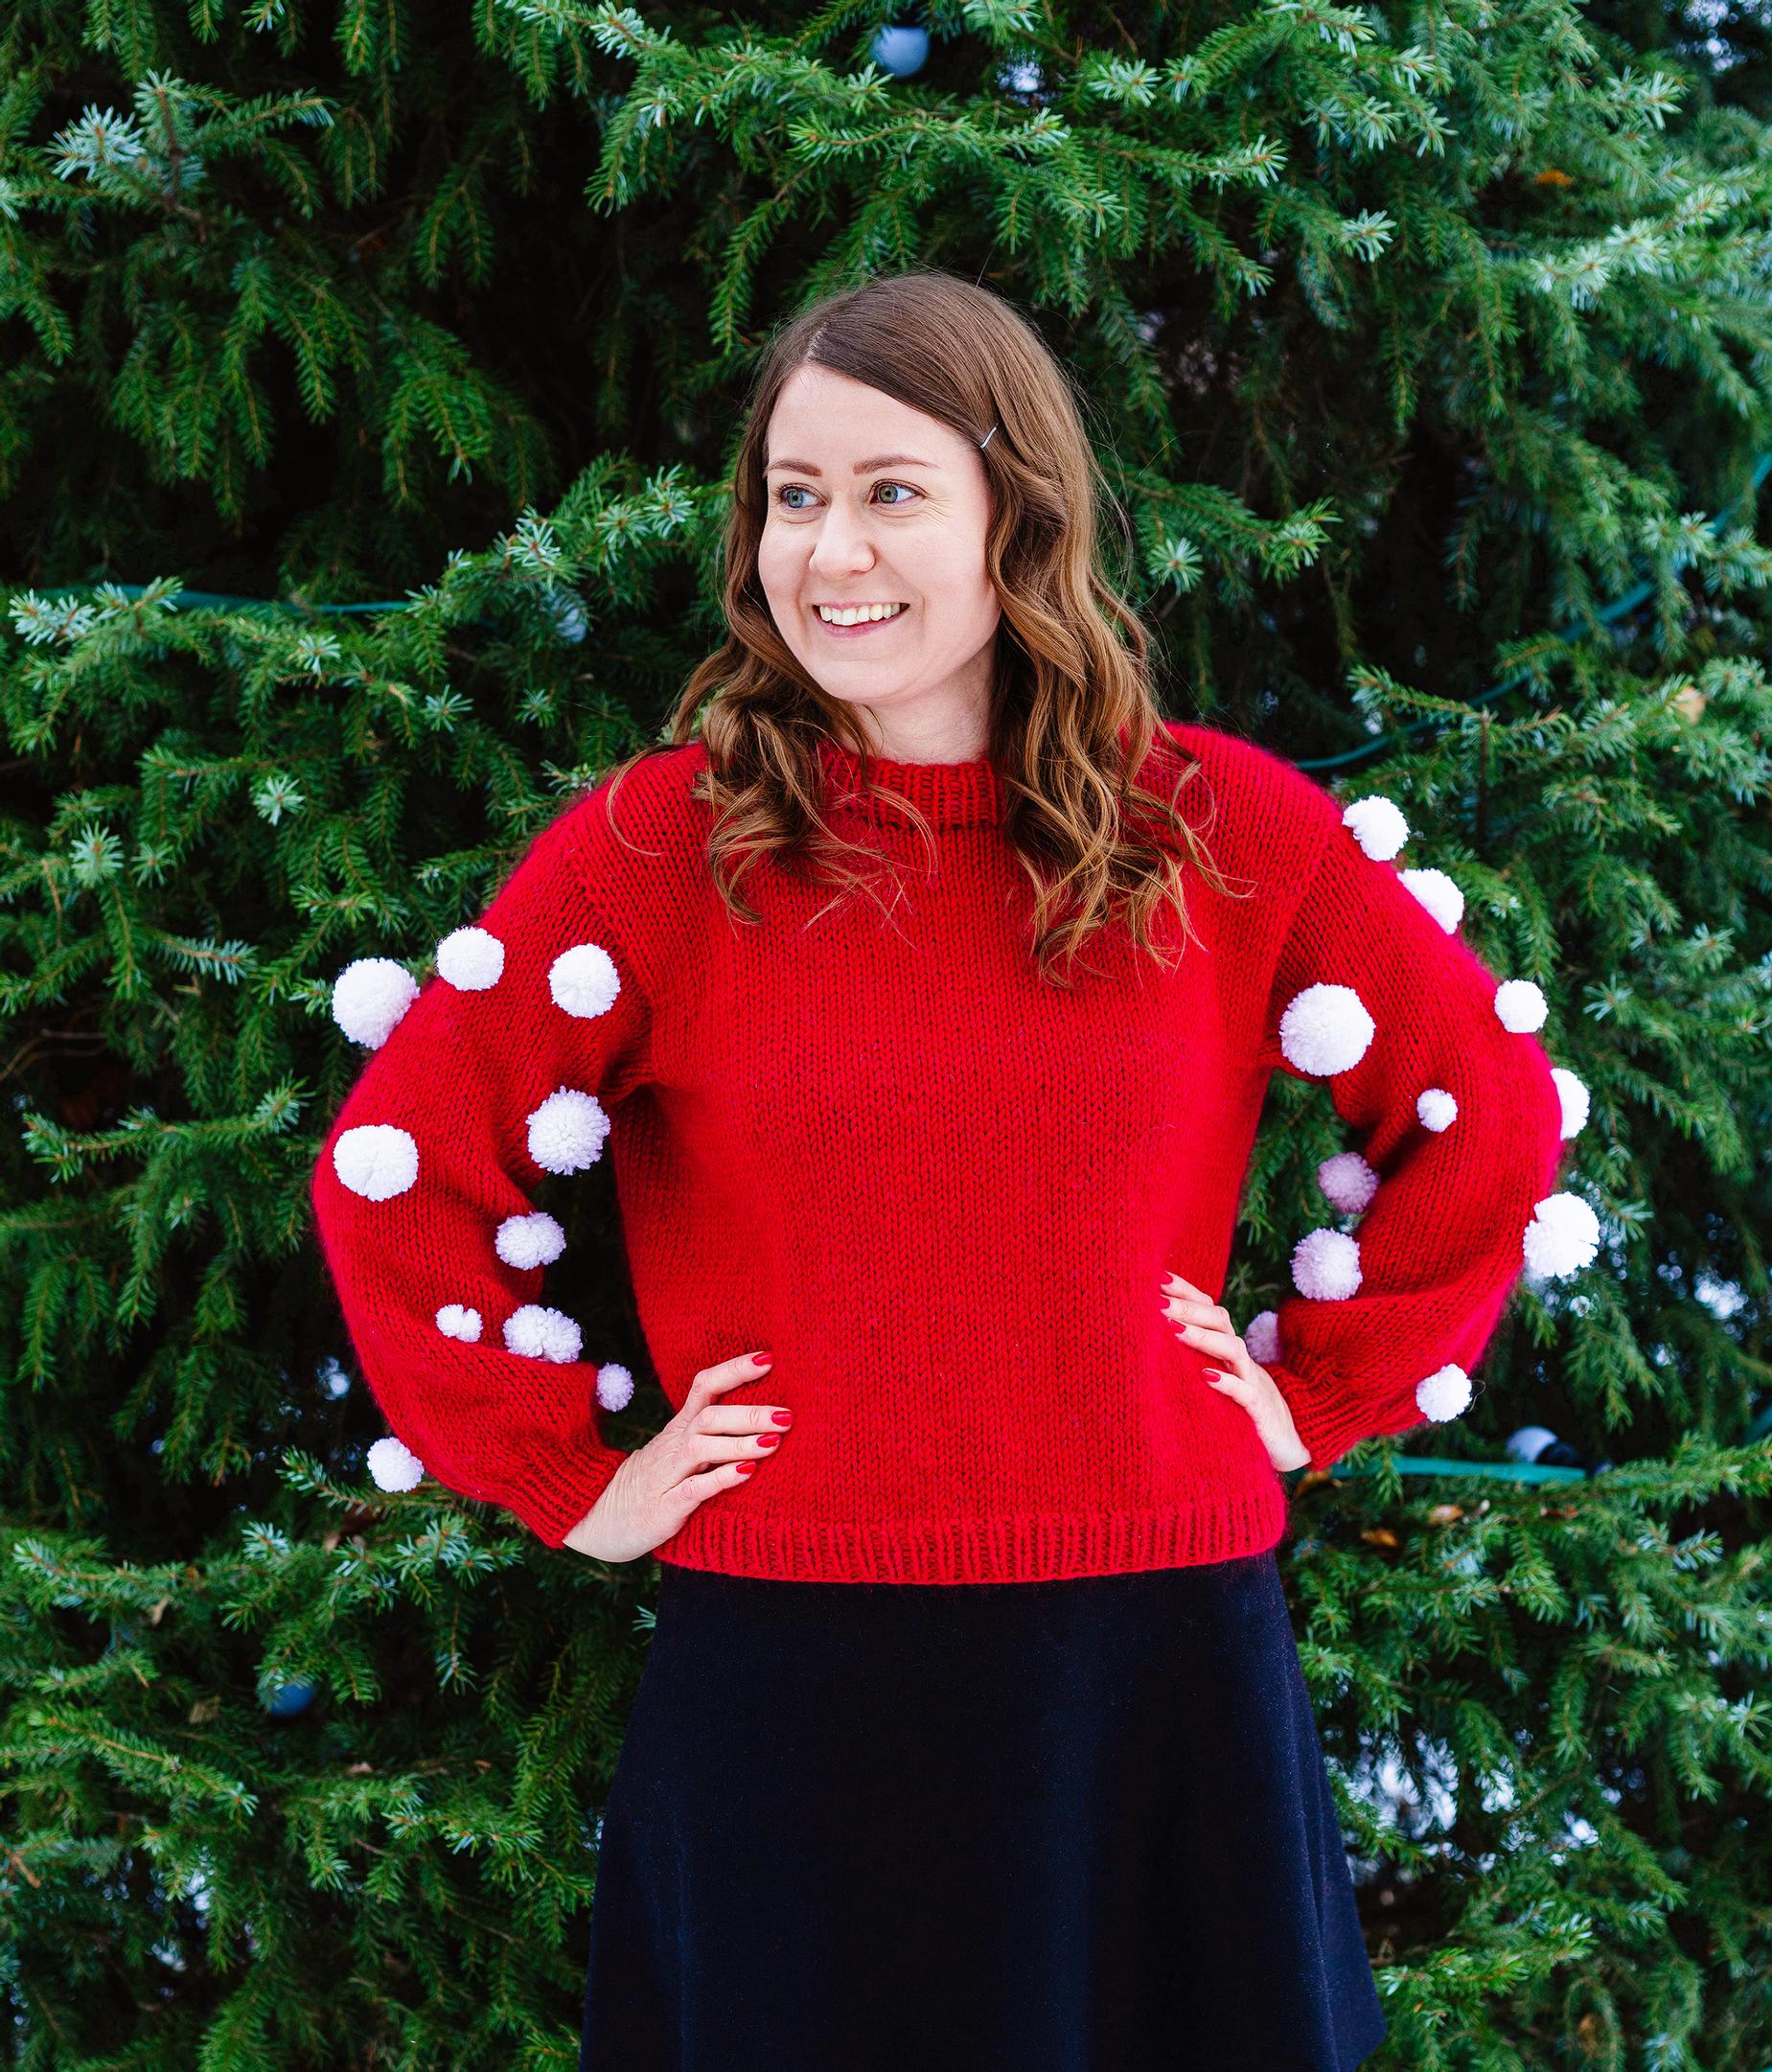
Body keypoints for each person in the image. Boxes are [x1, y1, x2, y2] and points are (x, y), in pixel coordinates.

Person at [311, 268, 1590, 2071]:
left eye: (891, 490)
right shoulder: (669, 852)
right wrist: (564, 1478)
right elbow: (400, 1163)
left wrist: (1319, 1390)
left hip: (1154, 1670)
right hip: (793, 1682)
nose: (830, 548)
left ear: (1019, 515)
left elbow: (1485, 1109)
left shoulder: (1213, 831)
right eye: (794, 494)